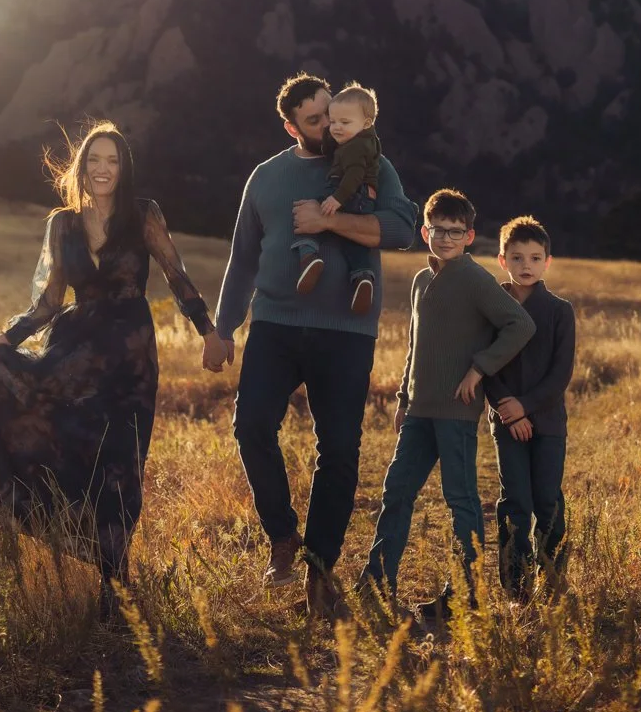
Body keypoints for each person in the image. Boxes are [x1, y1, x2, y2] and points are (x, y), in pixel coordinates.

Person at [0, 123, 213, 616]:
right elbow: (48, 301)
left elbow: (176, 274)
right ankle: (56, 542)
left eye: (112, 161)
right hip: (75, 351)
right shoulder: (62, 223)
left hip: (129, 356)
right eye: (93, 161)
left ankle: (115, 582)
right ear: (80, 168)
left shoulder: (144, 214)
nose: (102, 170)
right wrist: (8, 337)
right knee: (59, 437)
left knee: (120, 459)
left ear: (123, 168)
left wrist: (207, 330)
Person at [205, 73, 419, 617]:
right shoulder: (267, 176)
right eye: (316, 120)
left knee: (340, 451)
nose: (328, 126)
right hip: (275, 325)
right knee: (250, 425)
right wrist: (224, 328)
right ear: (291, 125)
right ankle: (282, 536)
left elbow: (400, 229)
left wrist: (333, 220)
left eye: (332, 114)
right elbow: (243, 258)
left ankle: (321, 572)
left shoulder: (369, 162)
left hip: (346, 331)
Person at [358, 189, 535, 614]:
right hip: (419, 410)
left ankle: (465, 591)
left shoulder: (476, 280)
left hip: (456, 412)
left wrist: (479, 368)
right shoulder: (421, 281)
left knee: (461, 499)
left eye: (455, 232)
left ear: (470, 235)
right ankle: (376, 585)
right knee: (396, 490)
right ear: (425, 231)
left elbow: (519, 324)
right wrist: (403, 396)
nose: (445, 238)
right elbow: (415, 345)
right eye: (438, 230)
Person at [482, 215, 576, 601]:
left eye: (535, 258)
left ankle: (551, 580)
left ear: (547, 262)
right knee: (515, 500)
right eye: (517, 258)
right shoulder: (490, 308)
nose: (526, 266)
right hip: (506, 422)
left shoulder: (559, 310)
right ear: (502, 259)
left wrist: (525, 407)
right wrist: (509, 411)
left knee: (547, 498)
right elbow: (485, 364)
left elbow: (560, 375)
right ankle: (516, 590)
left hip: (548, 422)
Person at [291, 81, 384, 315]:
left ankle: (309, 255)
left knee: (311, 217)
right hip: (364, 199)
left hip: (347, 192)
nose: (333, 128)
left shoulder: (354, 148)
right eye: (333, 122)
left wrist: (336, 200)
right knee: (354, 243)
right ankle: (362, 276)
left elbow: (353, 175)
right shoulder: (365, 143)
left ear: (366, 123)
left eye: (344, 122)